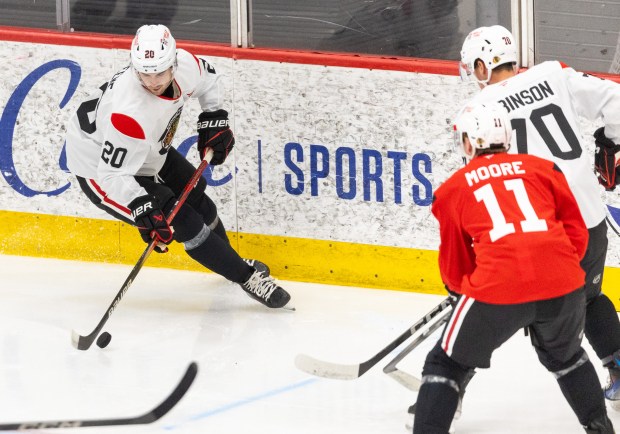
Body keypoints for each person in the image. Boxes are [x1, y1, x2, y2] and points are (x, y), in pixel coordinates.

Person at [412, 102, 613, 433]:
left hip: (498, 288)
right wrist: (548, 276)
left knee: (445, 363)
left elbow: (454, 266)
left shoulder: (453, 189)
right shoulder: (543, 169)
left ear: (468, 143)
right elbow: (575, 234)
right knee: (567, 358)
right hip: (564, 283)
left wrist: (465, 292)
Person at [64, 24, 291, 310]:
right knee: (184, 222)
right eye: (144, 73)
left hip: (146, 150)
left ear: (173, 63)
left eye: (159, 72)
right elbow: (113, 174)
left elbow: (209, 80)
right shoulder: (128, 112)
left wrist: (214, 117)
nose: (152, 80)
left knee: (201, 202)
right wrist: (141, 206)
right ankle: (248, 279)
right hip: (101, 169)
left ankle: (230, 262)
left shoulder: (185, 64)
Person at [456, 24, 620, 408]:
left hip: (536, 233)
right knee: (590, 296)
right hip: (589, 219)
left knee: (491, 307)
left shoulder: (478, 112)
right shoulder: (554, 74)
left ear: (482, 67)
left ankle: (450, 381)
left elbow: (482, 183)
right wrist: (613, 140)